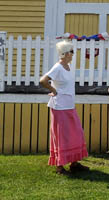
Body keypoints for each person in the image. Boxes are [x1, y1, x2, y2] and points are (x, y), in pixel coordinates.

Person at [39, 40, 89, 175]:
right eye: (71, 52)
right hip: (59, 107)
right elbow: (43, 80)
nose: (73, 54)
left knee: (76, 133)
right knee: (62, 136)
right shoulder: (58, 67)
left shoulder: (69, 66)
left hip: (69, 105)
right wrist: (53, 90)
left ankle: (74, 163)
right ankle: (60, 166)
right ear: (66, 54)